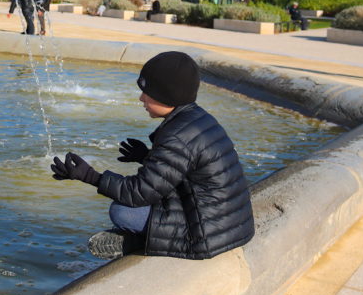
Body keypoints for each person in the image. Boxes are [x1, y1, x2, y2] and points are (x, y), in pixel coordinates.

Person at [50, 51, 255, 260]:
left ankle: (140, 241)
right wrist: (146, 157)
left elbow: (138, 193)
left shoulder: (177, 136)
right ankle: (141, 239)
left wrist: (90, 176)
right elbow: (187, 171)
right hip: (228, 222)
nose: (141, 98)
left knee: (122, 211)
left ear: (167, 95)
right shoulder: (197, 118)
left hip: (206, 234)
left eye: (147, 92)